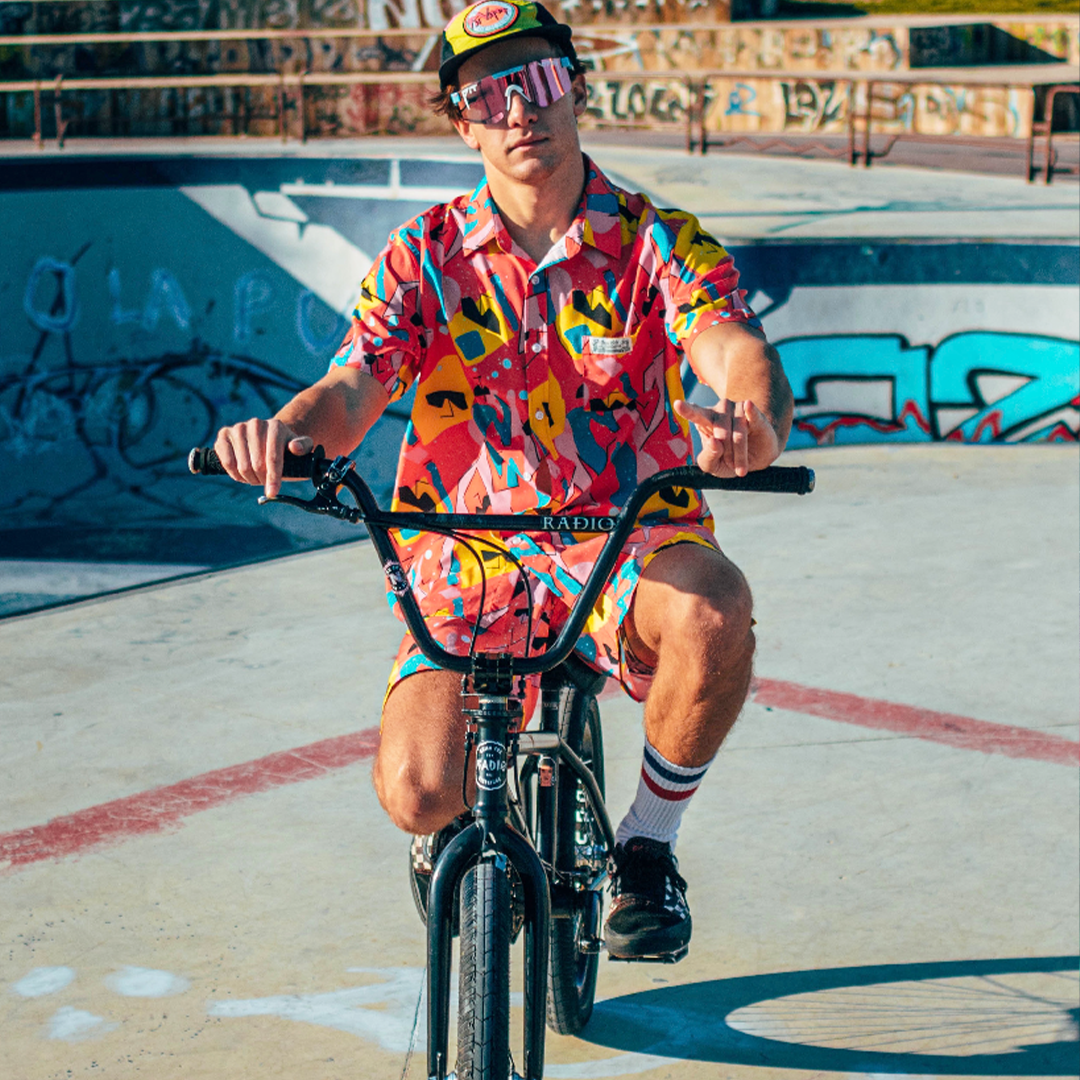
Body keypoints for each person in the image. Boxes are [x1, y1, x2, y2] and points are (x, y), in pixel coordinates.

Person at [214, 0, 793, 962]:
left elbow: (734, 348)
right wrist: (282, 436)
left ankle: (646, 848)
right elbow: (352, 389)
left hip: (622, 539)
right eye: (488, 95)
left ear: (577, 91)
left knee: (715, 608)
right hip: (466, 554)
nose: (520, 109)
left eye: (540, 81)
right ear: (463, 123)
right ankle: (453, 832)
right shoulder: (425, 257)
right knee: (419, 791)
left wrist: (750, 420)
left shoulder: (657, 242)